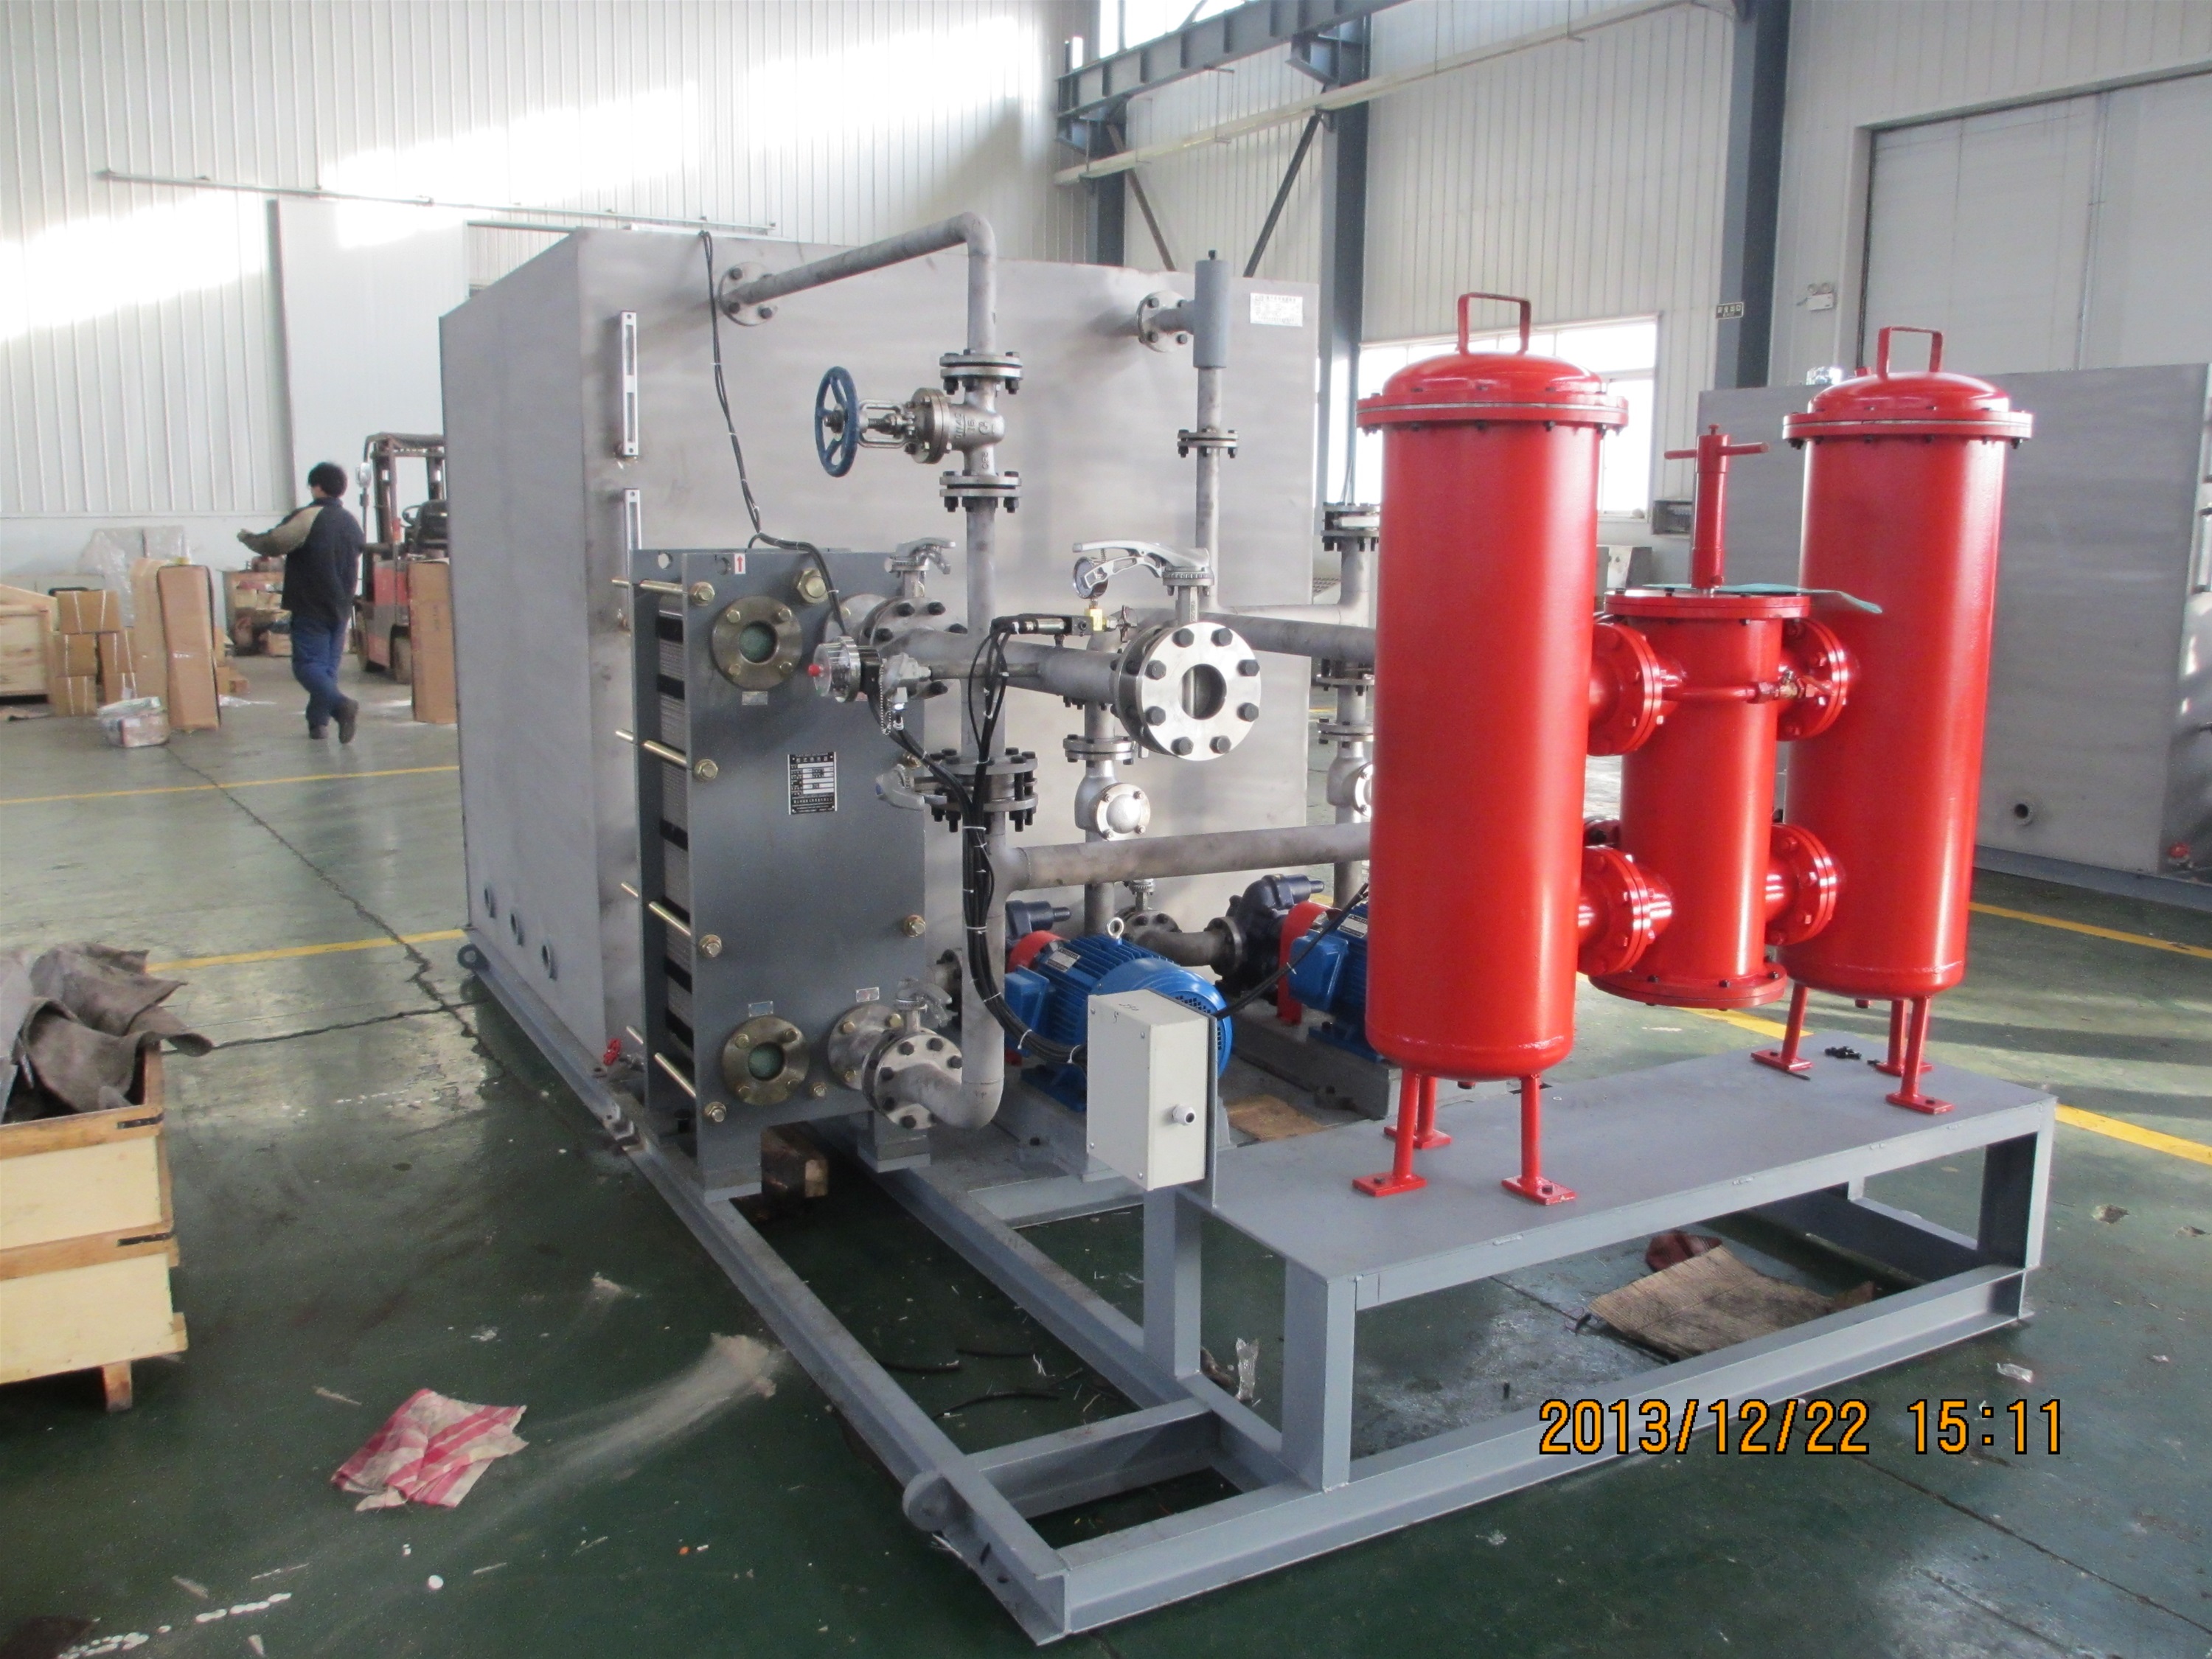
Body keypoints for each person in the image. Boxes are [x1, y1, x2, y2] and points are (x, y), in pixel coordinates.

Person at [238, 462, 365, 742]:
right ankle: (318, 724)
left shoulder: (309, 517)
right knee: (327, 669)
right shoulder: (351, 522)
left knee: (307, 666)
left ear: (317, 487)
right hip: (341, 604)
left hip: (311, 602)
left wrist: (247, 538)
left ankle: (342, 705)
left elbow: (275, 542)